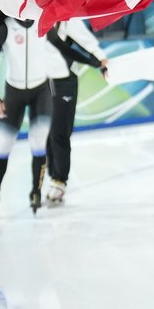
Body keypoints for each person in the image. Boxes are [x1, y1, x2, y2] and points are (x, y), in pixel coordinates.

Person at [0, 10, 58, 218]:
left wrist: (96, 61)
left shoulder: (42, 22)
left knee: (38, 142)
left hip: (41, 91)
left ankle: (35, 191)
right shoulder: (5, 27)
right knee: (3, 146)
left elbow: (64, 48)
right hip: (14, 93)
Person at [42, 20, 107, 206]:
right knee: (47, 134)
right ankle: (53, 177)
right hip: (43, 82)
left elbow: (86, 41)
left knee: (59, 133)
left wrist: (100, 59)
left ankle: (60, 180)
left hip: (64, 81)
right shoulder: (35, 15)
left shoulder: (67, 18)